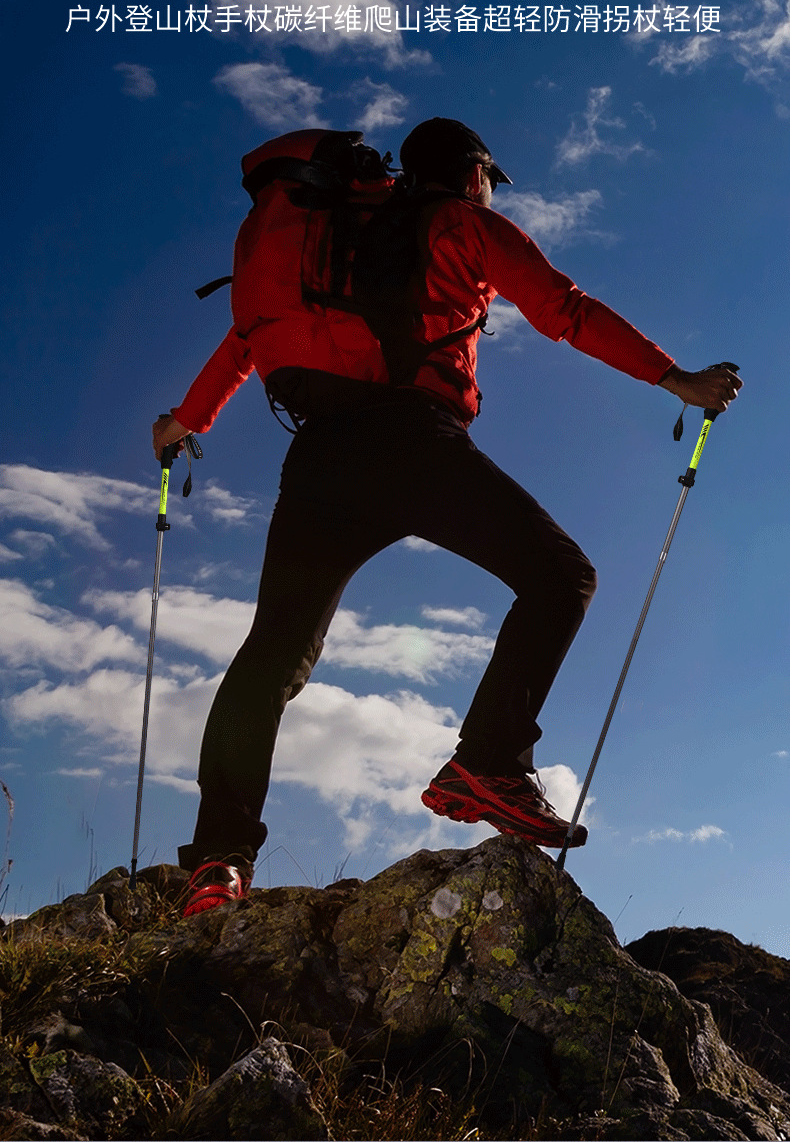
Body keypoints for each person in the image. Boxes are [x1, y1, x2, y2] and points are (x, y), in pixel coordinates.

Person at [153, 118, 741, 917]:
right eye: (491, 179)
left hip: (321, 456)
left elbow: (244, 342)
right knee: (561, 577)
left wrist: (182, 424)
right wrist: (677, 379)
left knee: (272, 656)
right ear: (471, 174)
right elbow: (564, 309)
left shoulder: (336, 238)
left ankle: (218, 859)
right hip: (413, 443)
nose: (491, 191)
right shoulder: (464, 223)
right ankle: (489, 761)